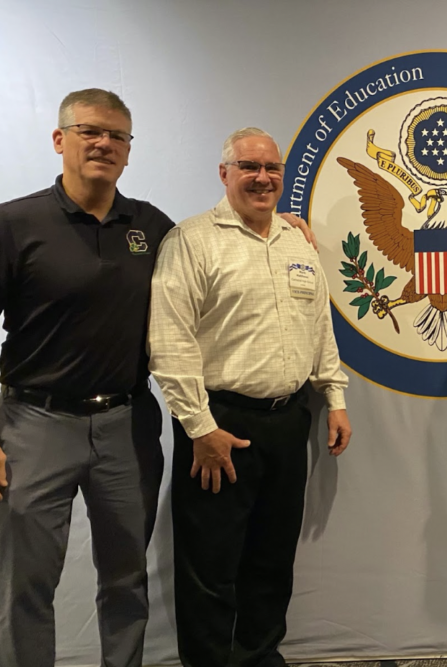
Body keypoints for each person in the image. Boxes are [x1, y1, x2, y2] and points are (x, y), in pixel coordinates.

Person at [148, 127, 351, 667]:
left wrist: (335, 397)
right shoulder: (191, 240)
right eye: (248, 166)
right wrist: (199, 428)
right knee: (209, 563)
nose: (263, 178)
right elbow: (169, 343)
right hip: (219, 424)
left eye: (272, 168)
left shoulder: (296, 241)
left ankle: (261, 656)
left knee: (271, 557)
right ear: (224, 174)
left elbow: (319, 326)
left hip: (289, 421)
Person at [0, 89, 173, 667]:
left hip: (127, 424)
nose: (103, 143)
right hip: (33, 424)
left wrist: (279, 228)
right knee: (26, 582)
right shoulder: (15, 223)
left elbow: (216, 265)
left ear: (128, 150)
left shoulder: (152, 227)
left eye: (116, 136)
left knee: (127, 579)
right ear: (59, 140)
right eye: (88, 131)